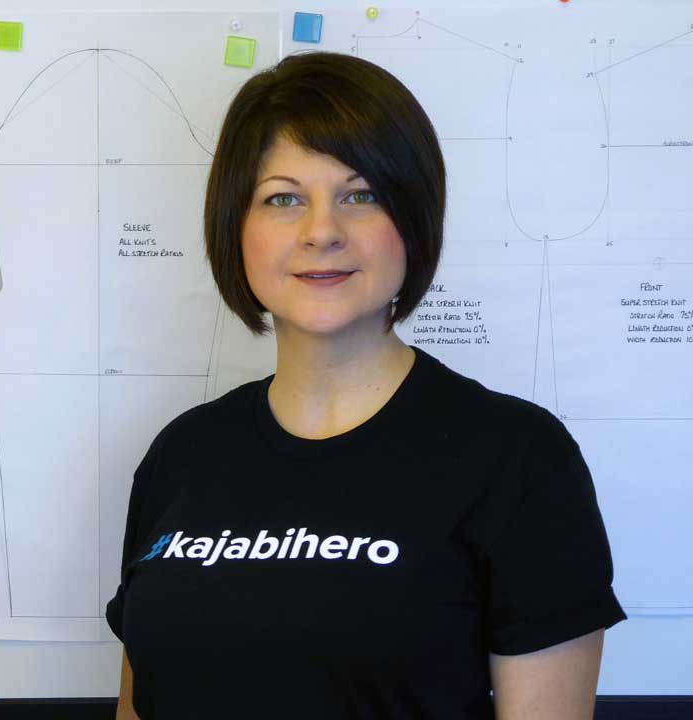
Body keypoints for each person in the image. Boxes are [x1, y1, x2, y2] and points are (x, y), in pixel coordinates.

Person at [106, 51, 627, 719]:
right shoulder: (180, 455)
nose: (322, 232)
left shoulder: (517, 457)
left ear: (413, 218)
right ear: (235, 226)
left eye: (361, 195)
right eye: (283, 198)